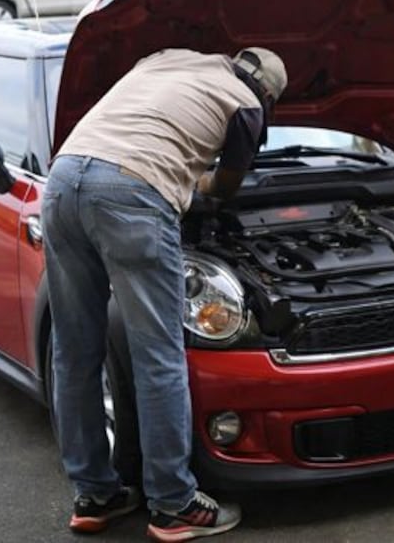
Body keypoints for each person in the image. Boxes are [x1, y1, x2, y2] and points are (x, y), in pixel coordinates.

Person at [43, 46, 288, 540]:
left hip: (64, 180)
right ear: (267, 93)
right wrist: (195, 183)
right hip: (131, 194)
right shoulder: (246, 103)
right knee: (158, 356)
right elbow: (225, 186)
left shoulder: (163, 58)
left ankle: (96, 495)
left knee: (73, 353)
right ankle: (174, 504)